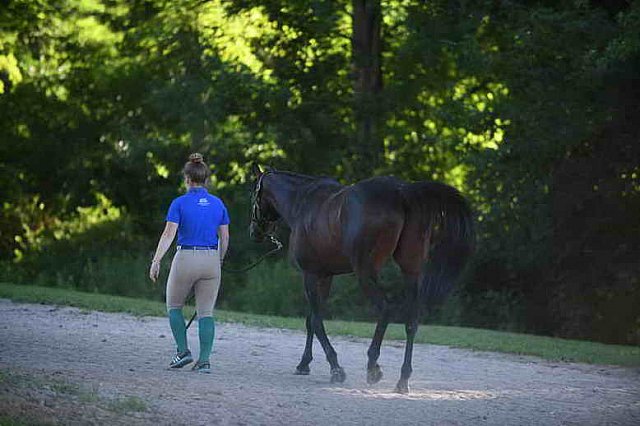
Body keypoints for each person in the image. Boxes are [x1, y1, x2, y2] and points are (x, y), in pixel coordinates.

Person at [149, 153, 230, 373]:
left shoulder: (179, 203)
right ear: (206, 179)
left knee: (174, 306)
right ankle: (204, 361)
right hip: (211, 260)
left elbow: (168, 235)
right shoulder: (218, 204)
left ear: (187, 179)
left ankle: (183, 351)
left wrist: (156, 260)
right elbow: (225, 237)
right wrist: (219, 260)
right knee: (206, 313)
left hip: (186, 257)